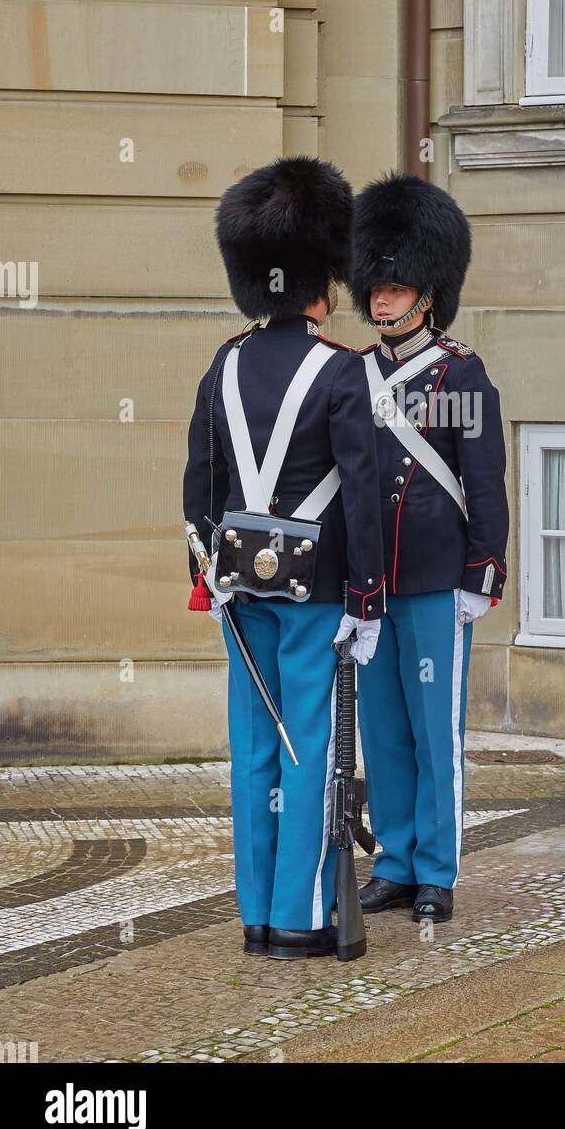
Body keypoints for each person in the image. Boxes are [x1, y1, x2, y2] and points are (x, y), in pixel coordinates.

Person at [183, 156, 385, 960]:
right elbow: (361, 496)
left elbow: (200, 482)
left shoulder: (221, 365)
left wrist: (207, 576)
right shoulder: (342, 371)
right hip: (318, 590)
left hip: (236, 583)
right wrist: (367, 598)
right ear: (319, 283)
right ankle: (301, 920)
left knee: (255, 749)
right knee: (309, 749)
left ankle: (256, 916)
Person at [348, 173, 509, 923]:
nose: (382, 299)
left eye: (397, 285)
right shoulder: (354, 376)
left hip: (437, 581)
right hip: (372, 585)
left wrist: (484, 569)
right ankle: (396, 860)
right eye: (375, 286)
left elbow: (485, 482)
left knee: (435, 733)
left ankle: (438, 870)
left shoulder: (459, 373)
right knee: (382, 732)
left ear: (428, 292)